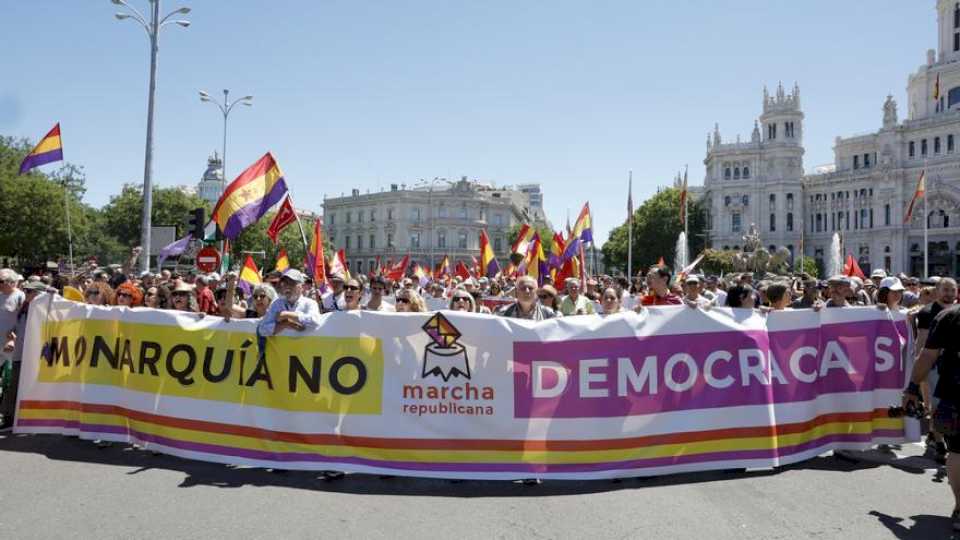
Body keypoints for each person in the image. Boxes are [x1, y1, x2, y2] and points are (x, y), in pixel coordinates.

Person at [903, 302, 960, 531]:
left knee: (957, 450)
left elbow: (927, 356)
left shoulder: (949, 316)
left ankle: (959, 508)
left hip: (954, 393)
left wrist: (912, 388)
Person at [0, 281, 47, 430]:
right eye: (25, 290)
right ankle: (9, 418)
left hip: (36, 356)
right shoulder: (25, 308)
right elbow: (15, 327)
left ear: (39, 294)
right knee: (13, 386)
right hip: (20, 354)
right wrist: (11, 337)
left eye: (29, 291)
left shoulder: (45, 310)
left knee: (34, 388)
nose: (25, 293)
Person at [257, 269, 322, 337]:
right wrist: (285, 324)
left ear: (301, 286)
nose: (287, 287)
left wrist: (288, 315)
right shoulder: (277, 304)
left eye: (291, 283)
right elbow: (262, 330)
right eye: (284, 283)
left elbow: (315, 321)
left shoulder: (310, 303)